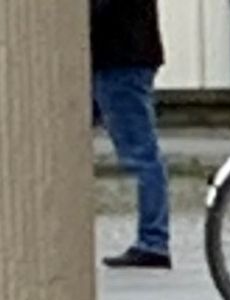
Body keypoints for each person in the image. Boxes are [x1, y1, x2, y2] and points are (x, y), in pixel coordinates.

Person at [93, 0, 173, 270]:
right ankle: (153, 239)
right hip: (125, 55)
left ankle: (154, 240)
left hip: (118, 58)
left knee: (141, 153)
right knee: (142, 151)